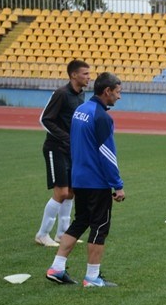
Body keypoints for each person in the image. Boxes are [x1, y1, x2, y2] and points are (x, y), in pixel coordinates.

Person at [45, 72, 125, 287]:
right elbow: (107, 154)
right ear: (107, 91)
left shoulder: (80, 110)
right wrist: (117, 185)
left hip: (79, 177)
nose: (119, 97)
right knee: (100, 226)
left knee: (80, 221)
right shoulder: (102, 118)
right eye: (118, 92)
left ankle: (57, 267)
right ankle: (92, 277)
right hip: (96, 181)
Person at [35, 59, 91, 247]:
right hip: (55, 149)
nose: (88, 77)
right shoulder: (61, 94)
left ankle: (62, 233)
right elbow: (45, 119)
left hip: (72, 151)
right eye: (85, 74)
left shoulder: (81, 96)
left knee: (71, 192)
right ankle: (42, 234)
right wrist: (66, 138)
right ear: (74, 75)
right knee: (61, 192)